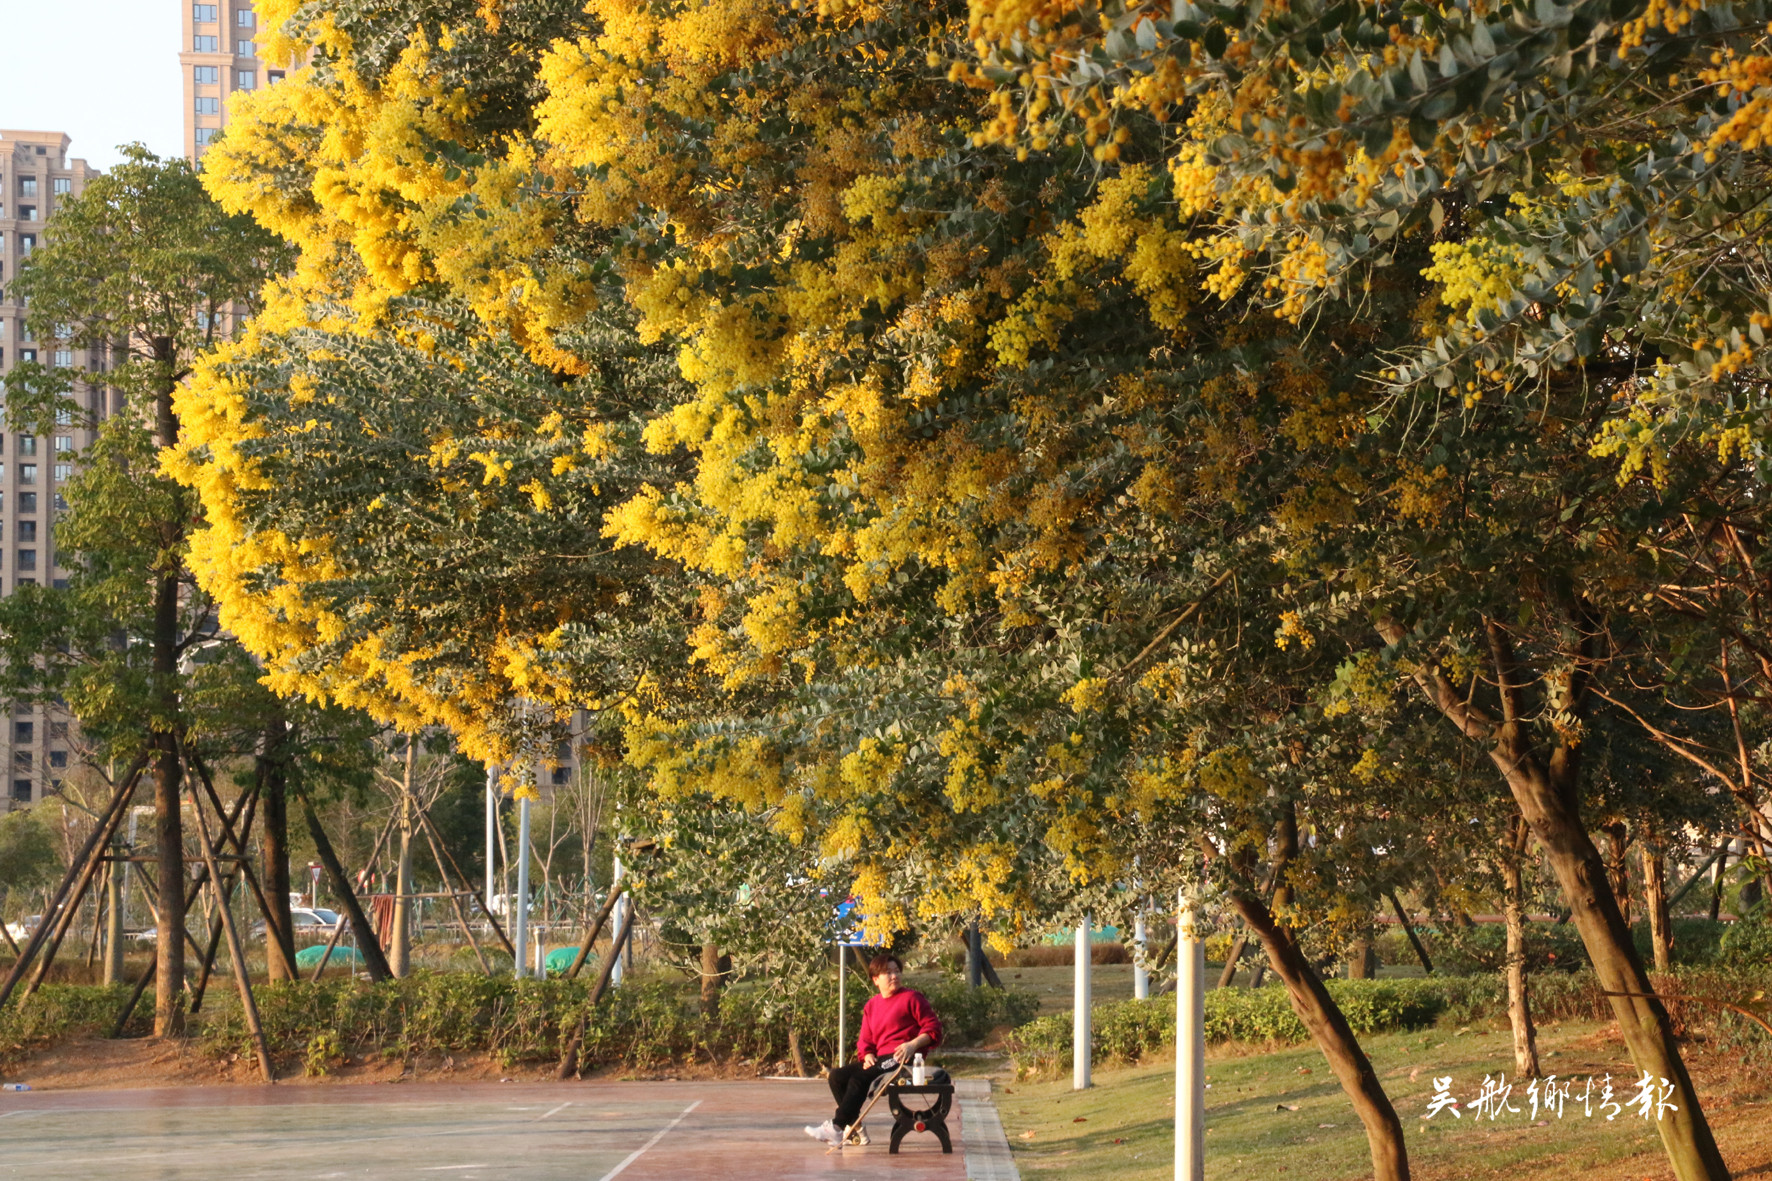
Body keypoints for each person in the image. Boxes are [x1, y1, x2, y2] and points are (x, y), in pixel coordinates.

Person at [804, 952, 943, 1146]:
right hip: (880, 1059)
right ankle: (855, 1128)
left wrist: (912, 1044)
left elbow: (933, 1028)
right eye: (888, 973)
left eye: (897, 971)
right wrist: (867, 1053)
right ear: (876, 979)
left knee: (859, 1078)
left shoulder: (912, 998)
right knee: (836, 1076)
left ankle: (836, 1127)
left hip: (902, 1058)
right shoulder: (872, 1005)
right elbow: (865, 1039)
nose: (895, 976)